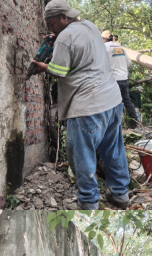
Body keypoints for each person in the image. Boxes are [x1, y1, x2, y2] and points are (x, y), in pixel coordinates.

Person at [30, 0, 131, 210]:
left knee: (80, 156)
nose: (50, 29)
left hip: (87, 106)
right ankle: (121, 194)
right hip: (112, 101)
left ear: (64, 18)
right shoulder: (90, 27)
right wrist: (56, 37)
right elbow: (80, 48)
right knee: (113, 150)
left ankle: (88, 202)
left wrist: (42, 66)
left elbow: (58, 70)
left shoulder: (65, 37)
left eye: (51, 24)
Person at [102, 30, 139, 126]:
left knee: (110, 102)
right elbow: (129, 63)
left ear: (104, 38)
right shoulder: (120, 48)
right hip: (123, 78)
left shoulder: (104, 47)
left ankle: (112, 124)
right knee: (126, 100)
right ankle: (134, 121)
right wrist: (121, 68)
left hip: (113, 79)